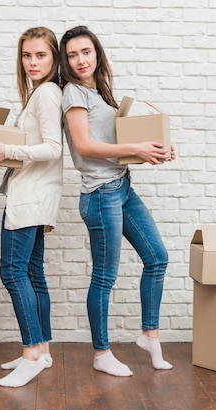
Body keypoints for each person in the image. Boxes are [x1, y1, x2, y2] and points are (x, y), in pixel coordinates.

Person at [59, 25, 175, 377]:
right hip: (100, 196)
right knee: (105, 277)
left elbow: (116, 140)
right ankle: (101, 353)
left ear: (97, 53)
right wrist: (134, 148)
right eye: (73, 55)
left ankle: (149, 335)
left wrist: (155, 148)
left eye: (86, 51)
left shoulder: (101, 92)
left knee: (157, 258)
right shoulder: (74, 94)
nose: (81, 60)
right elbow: (84, 146)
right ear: (66, 61)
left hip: (122, 187)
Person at [0, 26, 63, 387]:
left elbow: (54, 148)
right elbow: (35, 147)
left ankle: (30, 356)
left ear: (53, 57)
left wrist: (7, 151)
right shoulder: (39, 94)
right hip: (34, 193)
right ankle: (41, 350)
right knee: (32, 273)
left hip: (30, 197)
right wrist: (2, 153)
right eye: (27, 55)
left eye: (40, 55)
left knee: (13, 272)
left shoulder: (46, 95)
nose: (32, 62)